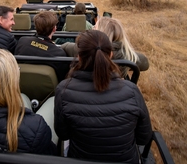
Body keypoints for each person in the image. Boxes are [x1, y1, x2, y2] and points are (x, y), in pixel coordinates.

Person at [54, 30, 152, 162]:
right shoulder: (132, 91)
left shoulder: (63, 90)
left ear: (79, 57)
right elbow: (143, 139)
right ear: (111, 55)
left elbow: (63, 134)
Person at [62, 17, 149, 72]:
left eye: (95, 27)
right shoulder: (126, 56)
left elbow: (65, 46)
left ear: (100, 33)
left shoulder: (84, 49)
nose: (92, 28)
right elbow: (145, 64)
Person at [15, 11, 69, 82]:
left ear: (36, 26)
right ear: (54, 29)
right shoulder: (59, 53)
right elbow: (62, 79)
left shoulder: (22, 42)